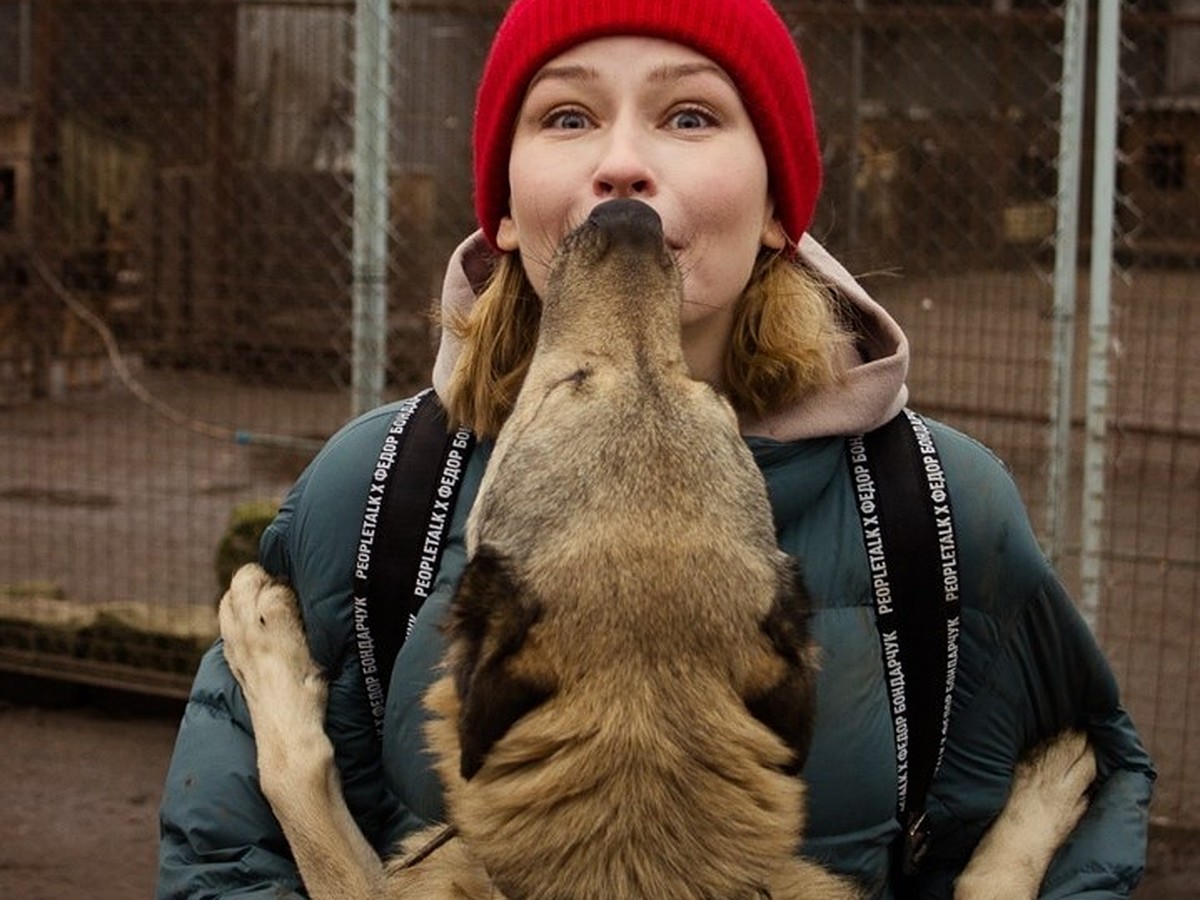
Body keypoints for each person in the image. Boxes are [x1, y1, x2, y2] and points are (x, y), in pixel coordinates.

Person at [156, 1, 1155, 897]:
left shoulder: (942, 511)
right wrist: (293, 777)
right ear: (501, 207)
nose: (624, 168)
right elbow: (222, 859)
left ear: (779, 206)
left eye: (690, 115)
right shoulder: (373, 494)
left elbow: (1095, 767)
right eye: (566, 115)